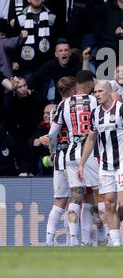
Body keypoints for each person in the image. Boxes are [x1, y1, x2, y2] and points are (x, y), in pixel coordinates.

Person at [77, 80, 123, 247]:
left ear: (108, 92)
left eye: (100, 91)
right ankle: (116, 243)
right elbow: (91, 138)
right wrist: (81, 164)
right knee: (108, 203)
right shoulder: (95, 114)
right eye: (95, 92)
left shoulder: (122, 109)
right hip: (105, 166)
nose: (97, 94)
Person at [48, 70, 99, 246]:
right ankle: (103, 237)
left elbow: (52, 133)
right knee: (96, 197)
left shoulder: (61, 106)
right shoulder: (95, 100)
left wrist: (52, 150)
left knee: (72, 197)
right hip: (90, 154)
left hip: (67, 155)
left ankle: (72, 240)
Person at [45, 76, 76, 246]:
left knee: (59, 201)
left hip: (59, 157)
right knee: (77, 199)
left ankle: (49, 240)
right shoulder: (75, 108)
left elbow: (52, 135)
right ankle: (73, 239)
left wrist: (52, 151)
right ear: (73, 90)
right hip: (74, 156)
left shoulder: (54, 109)